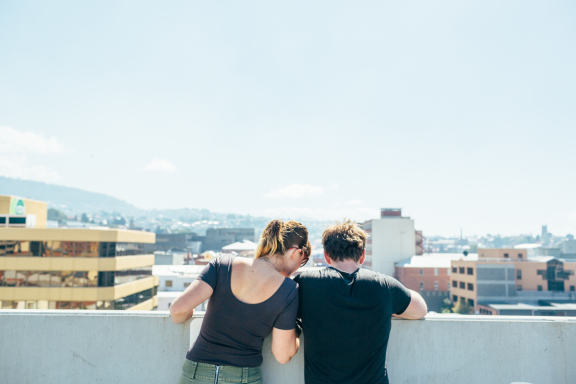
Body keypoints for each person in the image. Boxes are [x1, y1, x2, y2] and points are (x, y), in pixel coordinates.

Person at [170, 219, 311, 384]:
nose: (299, 266)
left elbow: (177, 310)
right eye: (303, 259)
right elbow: (282, 355)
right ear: (295, 252)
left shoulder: (223, 264)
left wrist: (186, 314)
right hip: (243, 377)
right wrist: (296, 333)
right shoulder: (288, 290)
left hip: (195, 372)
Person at [293, 219, 427, 384]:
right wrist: (386, 306)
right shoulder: (384, 286)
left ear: (327, 256)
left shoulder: (306, 283)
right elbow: (420, 309)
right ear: (363, 255)